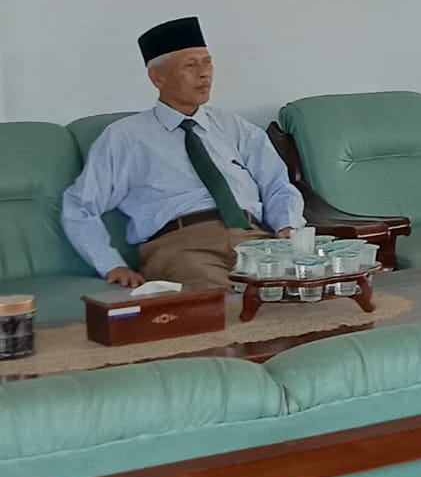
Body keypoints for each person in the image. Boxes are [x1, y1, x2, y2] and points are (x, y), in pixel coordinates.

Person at [61, 17, 306, 287]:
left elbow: (277, 184)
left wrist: (287, 225)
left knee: (304, 290)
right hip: (181, 246)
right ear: (157, 77)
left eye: (207, 62)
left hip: (252, 239)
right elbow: (80, 205)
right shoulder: (125, 136)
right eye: (190, 65)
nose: (204, 74)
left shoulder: (232, 126)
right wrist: (111, 265)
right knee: (222, 302)